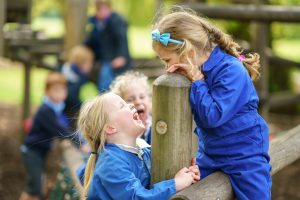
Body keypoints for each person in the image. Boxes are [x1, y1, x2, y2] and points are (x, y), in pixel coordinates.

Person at [151, 9, 272, 200]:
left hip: (244, 154)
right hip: (211, 155)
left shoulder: (230, 70)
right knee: (188, 191)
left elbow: (213, 116)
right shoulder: (192, 73)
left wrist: (198, 82)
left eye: (167, 60)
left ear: (188, 51)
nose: (167, 68)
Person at [77, 92, 200, 199]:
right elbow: (136, 197)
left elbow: (164, 173)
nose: (131, 105)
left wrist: (188, 169)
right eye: (122, 105)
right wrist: (176, 184)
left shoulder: (143, 151)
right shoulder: (111, 162)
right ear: (110, 128)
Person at [19, 72, 71, 200]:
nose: (59, 93)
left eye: (62, 90)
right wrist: (79, 141)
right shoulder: (46, 110)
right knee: (34, 189)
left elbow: (64, 125)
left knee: (39, 184)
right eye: (55, 90)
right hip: (32, 152)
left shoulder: (56, 108)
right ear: (47, 91)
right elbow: (60, 130)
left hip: (40, 151)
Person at [85, 0, 131, 92]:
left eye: (104, 9)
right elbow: (91, 41)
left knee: (112, 84)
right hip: (103, 59)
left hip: (114, 58)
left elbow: (121, 40)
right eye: (99, 9)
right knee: (104, 82)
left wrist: (121, 56)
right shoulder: (96, 23)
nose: (102, 12)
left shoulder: (116, 21)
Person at [110, 71, 152, 144]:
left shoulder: (157, 127)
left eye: (142, 97)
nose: (138, 102)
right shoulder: (120, 133)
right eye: (130, 99)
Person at [60, 45, 94, 121]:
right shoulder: (80, 78)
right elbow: (72, 98)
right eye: (89, 63)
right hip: (67, 113)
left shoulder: (65, 70)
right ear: (82, 63)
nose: (91, 66)